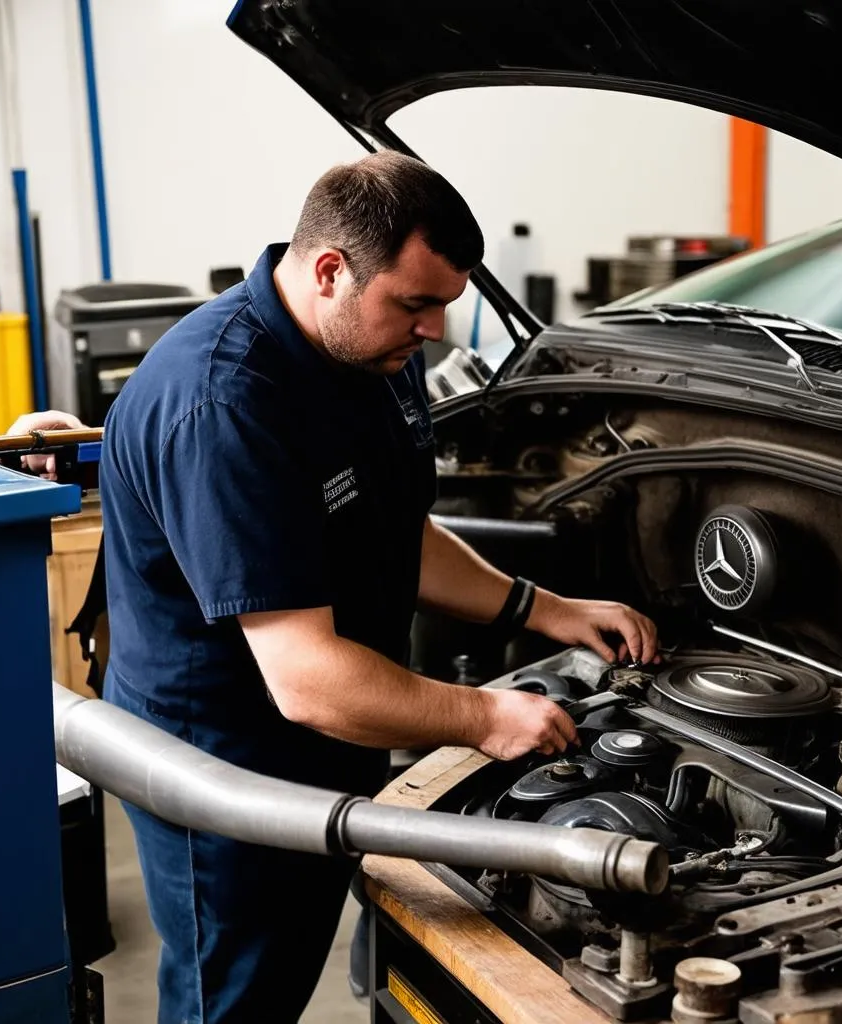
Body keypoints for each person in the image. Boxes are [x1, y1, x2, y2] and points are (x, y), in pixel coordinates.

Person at [97, 151, 660, 1023]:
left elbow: (395, 529)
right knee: (237, 995)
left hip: (329, 736)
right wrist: (486, 716)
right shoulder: (222, 406)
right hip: (226, 763)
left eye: (443, 305)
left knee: (301, 956)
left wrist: (545, 610)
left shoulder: (369, 351)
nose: (432, 331)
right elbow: (308, 679)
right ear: (330, 271)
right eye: (417, 303)